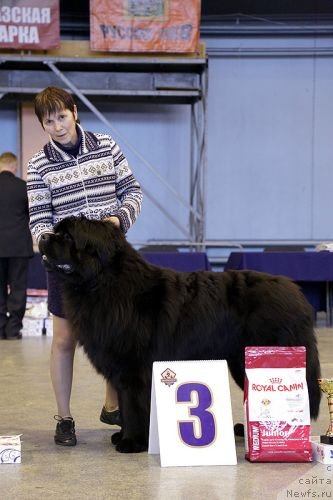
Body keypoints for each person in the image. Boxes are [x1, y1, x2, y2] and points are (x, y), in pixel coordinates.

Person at [26, 86, 143, 446]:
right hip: (68, 272)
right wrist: (48, 244)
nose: (58, 126)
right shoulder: (37, 165)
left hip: (113, 264)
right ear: (43, 125)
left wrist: (118, 220)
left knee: (116, 334)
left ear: (74, 111)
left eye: (62, 116)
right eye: (49, 121)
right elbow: (39, 221)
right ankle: (64, 418)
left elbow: (133, 192)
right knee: (64, 340)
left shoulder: (107, 146)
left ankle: (114, 404)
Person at [0, 152, 33, 340]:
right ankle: (13, 330)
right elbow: (32, 215)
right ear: (15, 166)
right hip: (19, 247)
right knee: (18, 288)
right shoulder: (24, 188)